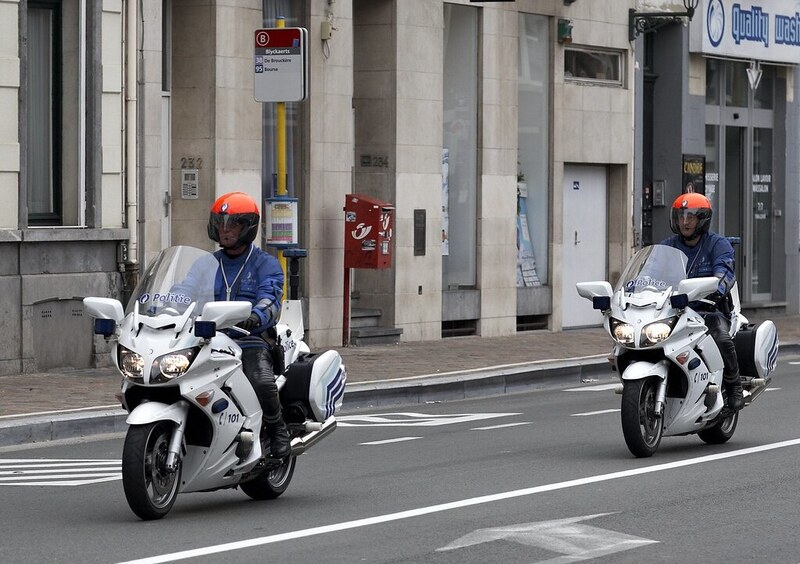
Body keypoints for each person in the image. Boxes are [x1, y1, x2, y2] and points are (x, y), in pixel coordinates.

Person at [207, 191, 291, 459]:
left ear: (248, 227)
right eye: (221, 223)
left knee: (260, 380)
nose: (225, 230)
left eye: (232, 223)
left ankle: (278, 429)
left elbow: (271, 297)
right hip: (209, 338)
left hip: (249, 339)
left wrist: (255, 316)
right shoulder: (206, 264)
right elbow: (182, 291)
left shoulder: (266, 264)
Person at [661, 193, 744, 411]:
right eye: (681, 216)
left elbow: (726, 270)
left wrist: (719, 287)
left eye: (691, 216)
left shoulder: (718, 244)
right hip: (674, 312)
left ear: (702, 219)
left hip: (709, 311)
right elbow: (650, 273)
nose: (685, 222)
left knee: (721, 337)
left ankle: (734, 386)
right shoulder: (668, 246)